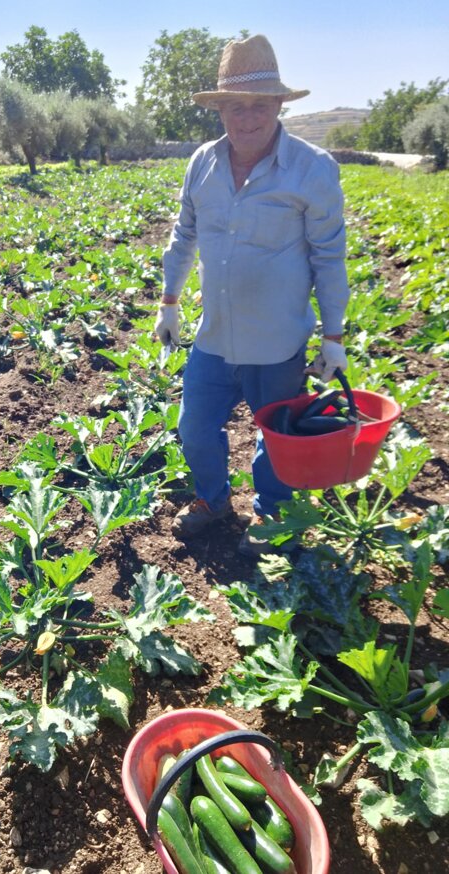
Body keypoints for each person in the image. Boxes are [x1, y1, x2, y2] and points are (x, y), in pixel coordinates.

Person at [154, 34, 350, 556]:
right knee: (194, 429)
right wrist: (169, 302)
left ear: (279, 105)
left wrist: (333, 336)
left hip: (278, 340)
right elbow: (183, 234)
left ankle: (271, 514)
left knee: (276, 440)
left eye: (259, 105)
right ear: (219, 108)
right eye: (234, 105)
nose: (246, 118)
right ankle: (214, 500)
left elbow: (329, 257)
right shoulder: (203, 162)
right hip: (214, 336)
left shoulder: (312, 168)